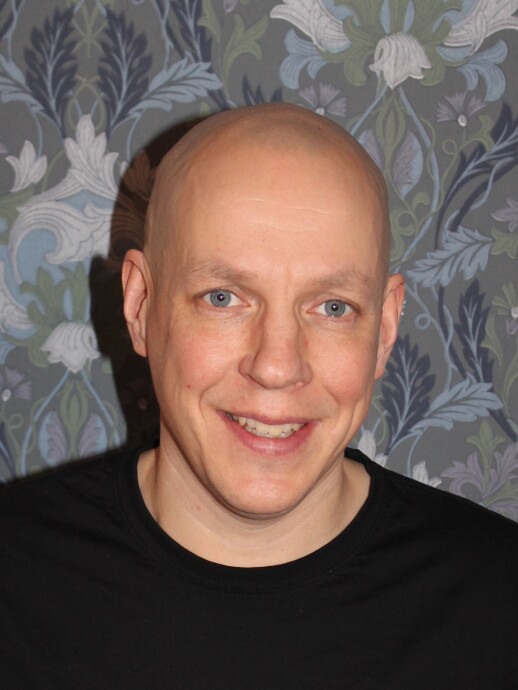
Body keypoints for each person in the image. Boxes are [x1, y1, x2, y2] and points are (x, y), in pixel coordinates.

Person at [0, 104, 516, 689]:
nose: (276, 367)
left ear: (385, 330)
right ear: (140, 305)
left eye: (333, 307)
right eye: (222, 298)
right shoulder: (15, 580)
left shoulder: (499, 602)